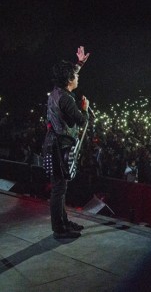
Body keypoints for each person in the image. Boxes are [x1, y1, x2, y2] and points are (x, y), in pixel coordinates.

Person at [42, 46, 90, 239]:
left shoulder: (56, 92)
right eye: (75, 76)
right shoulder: (67, 100)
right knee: (59, 189)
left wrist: (78, 64)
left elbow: (69, 77)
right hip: (59, 147)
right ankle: (59, 228)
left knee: (60, 187)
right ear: (69, 80)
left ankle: (63, 222)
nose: (77, 78)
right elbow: (82, 121)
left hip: (53, 144)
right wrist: (85, 109)